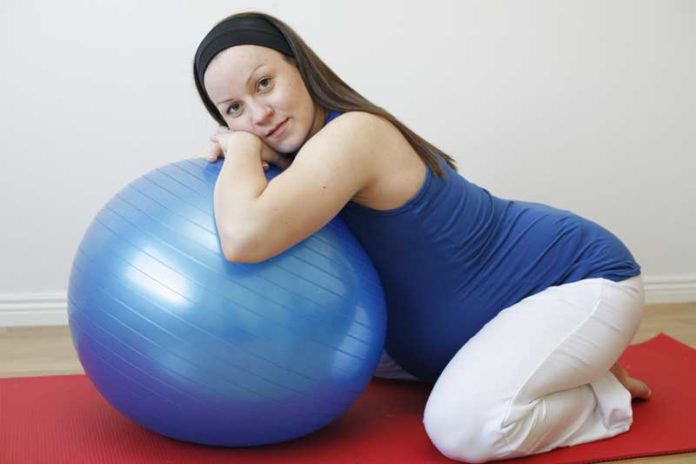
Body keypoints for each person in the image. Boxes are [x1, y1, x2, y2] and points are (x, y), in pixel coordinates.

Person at [192, 11, 651, 462]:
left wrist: (244, 147)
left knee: (463, 430)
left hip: (575, 278)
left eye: (264, 83)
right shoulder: (300, 161)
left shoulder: (353, 134)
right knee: (337, 365)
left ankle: (599, 393)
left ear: (300, 65)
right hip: (463, 324)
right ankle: (565, 363)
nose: (259, 113)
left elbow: (243, 238)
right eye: (235, 109)